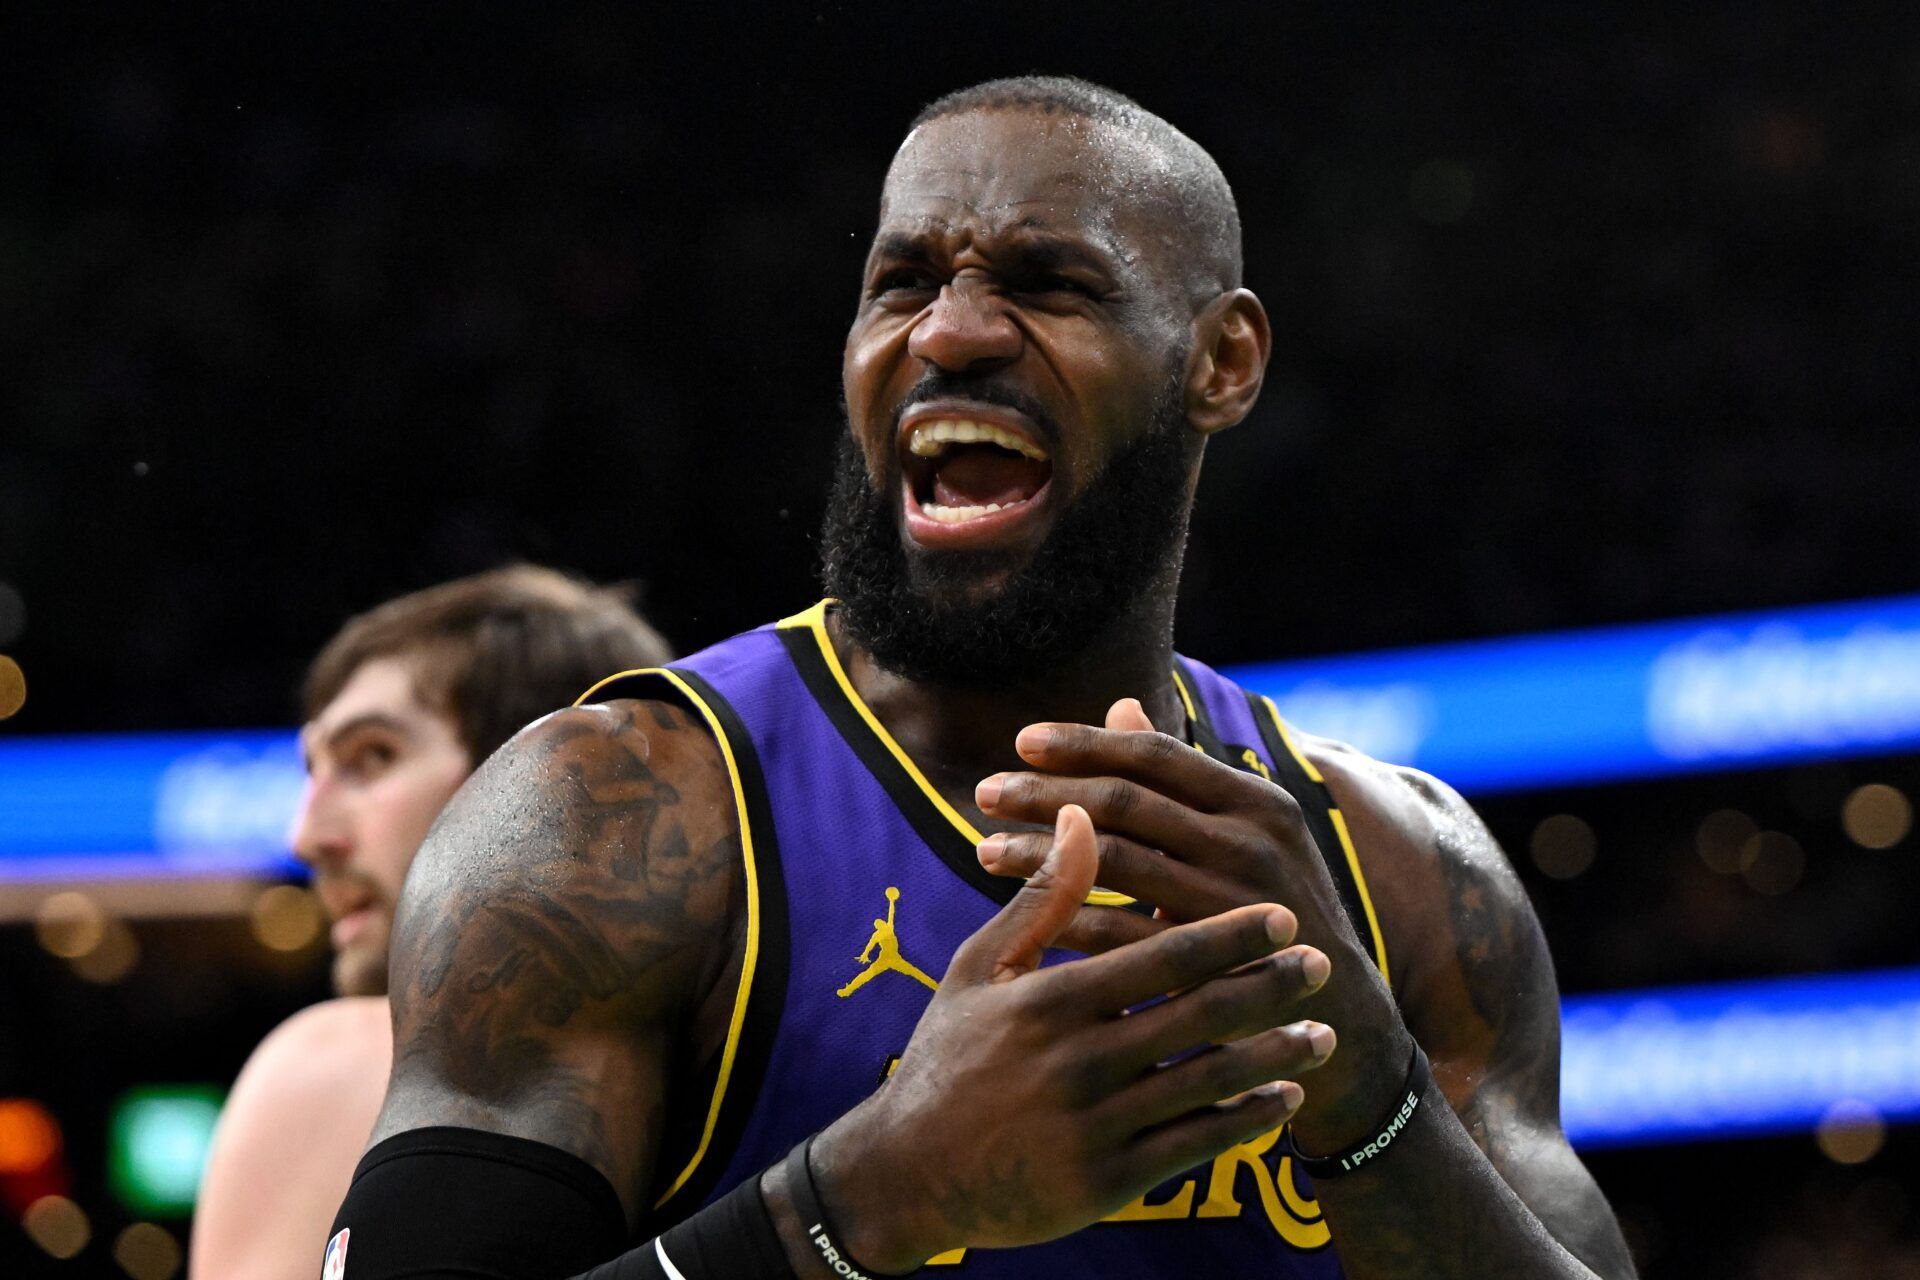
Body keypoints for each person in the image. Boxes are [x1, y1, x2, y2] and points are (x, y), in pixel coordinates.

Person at [330, 77, 1636, 1280]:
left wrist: (1371, 1107)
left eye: (1047, 281)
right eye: (900, 283)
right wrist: (849, 1207)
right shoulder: (608, 820)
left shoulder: (1402, 870)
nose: (949, 332)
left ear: (1222, 362)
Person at [190, 566, 672, 1280]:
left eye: (372, 757)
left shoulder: (334, 1059)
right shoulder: (783, 1086)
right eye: (313, 770)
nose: (306, 835)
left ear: (542, 776)